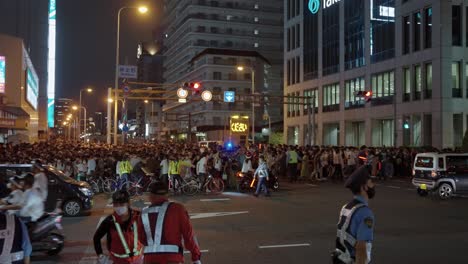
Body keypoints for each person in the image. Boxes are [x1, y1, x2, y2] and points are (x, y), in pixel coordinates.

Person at [137, 182, 201, 264]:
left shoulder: (143, 212)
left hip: (150, 259)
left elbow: (141, 238)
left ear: (151, 196)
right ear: (166, 195)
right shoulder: (177, 209)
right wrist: (196, 257)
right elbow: (189, 235)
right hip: (172, 259)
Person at [332, 166, 376, 264]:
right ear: (364, 187)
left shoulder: (346, 207)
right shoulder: (365, 213)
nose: (373, 185)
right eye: (370, 182)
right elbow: (361, 247)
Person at [93, 190, 143, 264]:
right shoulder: (109, 221)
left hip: (138, 260)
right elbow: (96, 238)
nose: (118, 207)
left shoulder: (139, 216)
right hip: (118, 261)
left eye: (122, 204)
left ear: (128, 203)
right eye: (116, 204)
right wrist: (101, 256)